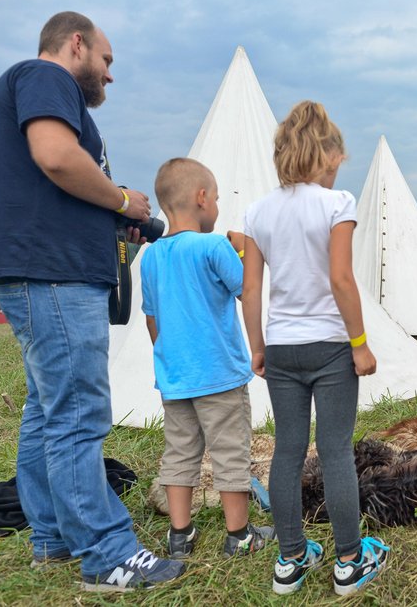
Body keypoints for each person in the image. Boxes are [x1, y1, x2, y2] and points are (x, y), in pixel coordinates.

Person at [0, 12, 184, 591]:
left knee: (47, 409)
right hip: (53, 275)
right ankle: (106, 553)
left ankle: (51, 537)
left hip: (41, 269)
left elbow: (61, 180)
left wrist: (116, 222)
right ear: (76, 44)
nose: (110, 75)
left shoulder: (33, 89)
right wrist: (125, 200)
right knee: (76, 412)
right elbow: (56, 157)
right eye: (107, 60)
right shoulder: (45, 77)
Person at [241, 101, 389, 597]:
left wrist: (257, 347)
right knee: (334, 451)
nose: (338, 170)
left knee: (286, 451)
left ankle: (291, 559)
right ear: (326, 154)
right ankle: (349, 561)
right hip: (329, 347)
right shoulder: (336, 204)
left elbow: (252, 288)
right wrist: (361, 345)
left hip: (281, 347)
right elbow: (341, 279)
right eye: (337, 160)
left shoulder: (258, 212)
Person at [140, 158, 273, 561]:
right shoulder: (214, 246)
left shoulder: (151, 257)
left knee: (179, 453)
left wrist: (168, 358)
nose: (216, 205)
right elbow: (245, 289)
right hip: (219, 376)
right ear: (202, 198)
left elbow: (152, 318)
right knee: (231, 452)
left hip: (176, 379)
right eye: (215, 197)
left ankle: (179, 534)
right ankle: (239, 534)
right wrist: (247, 247)